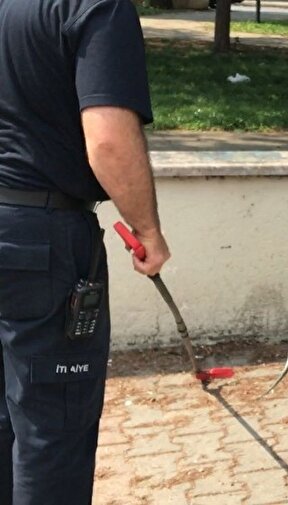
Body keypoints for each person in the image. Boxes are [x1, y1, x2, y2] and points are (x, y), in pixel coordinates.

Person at [0, 0, 170, 502]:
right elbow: (110, 142)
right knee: (51, 428)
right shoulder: (96, 6)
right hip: (40, 237)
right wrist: (149, 231)